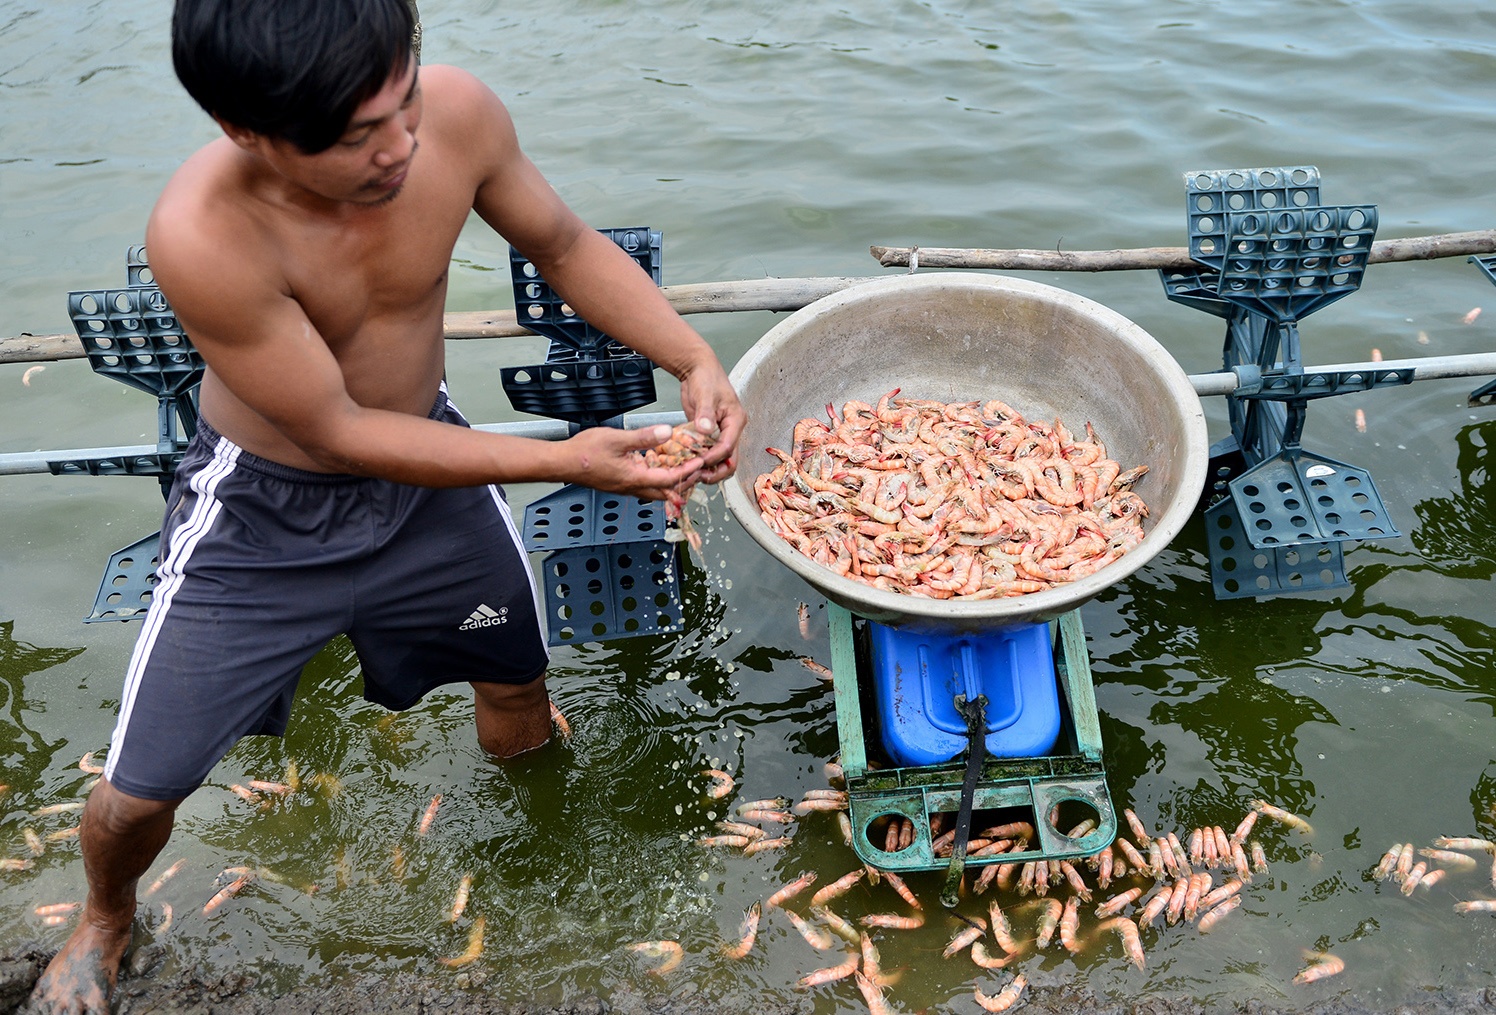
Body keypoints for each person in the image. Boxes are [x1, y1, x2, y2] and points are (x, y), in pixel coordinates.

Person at [27, 0, 745, 1011]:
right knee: (140, 786)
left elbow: (564, 242)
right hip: (262, 516)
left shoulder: (455, 115)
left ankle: (537, 827)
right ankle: (106, 914)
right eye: (359, 137)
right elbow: (334, 431)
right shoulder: (202, 233)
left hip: (434, 479)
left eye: (402, 103)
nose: (401, 147)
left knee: (517, 684)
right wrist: (567, 463)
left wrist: (691, 354)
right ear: (249, 134)